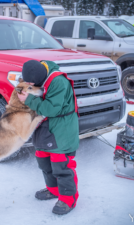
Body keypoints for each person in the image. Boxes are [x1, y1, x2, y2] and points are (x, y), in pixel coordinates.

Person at [17, 60, 79, 215]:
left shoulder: (58, 82)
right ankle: (54, 190)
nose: (29, 84)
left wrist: (29, 99)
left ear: (39, 77)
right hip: (44, 127)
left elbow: (51, 109)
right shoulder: (37, 77)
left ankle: (68, 198)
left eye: (31, 82)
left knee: (61, 165)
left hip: (61, 129)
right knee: (44, 161)